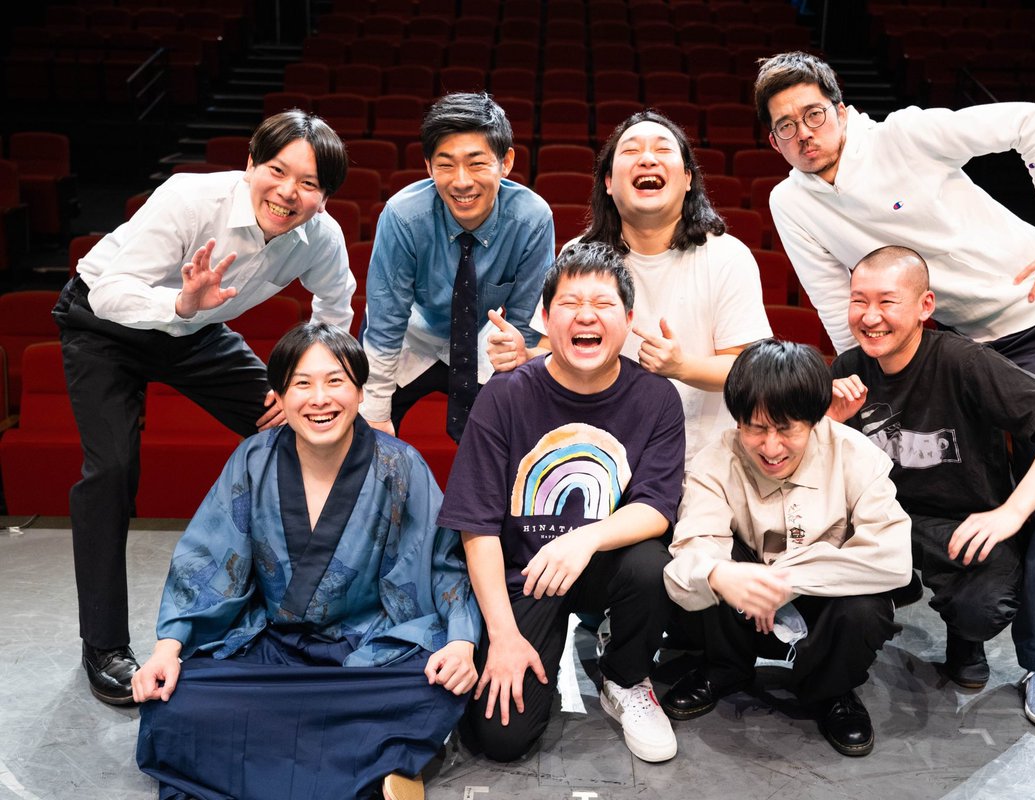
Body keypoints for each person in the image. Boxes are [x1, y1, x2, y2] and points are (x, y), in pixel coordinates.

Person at [754, 51, 1035, 726]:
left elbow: (1030, 120)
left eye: (813, 115)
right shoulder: (789, 200)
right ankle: (951, 621)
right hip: (953, 340)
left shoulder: (904, 136)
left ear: (842, 110)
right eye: (784, 126)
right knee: (914, 470)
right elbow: (834, 300)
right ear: (774, 139)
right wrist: (852, 382)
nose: (803, 133)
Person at [53, 110, 356, 706]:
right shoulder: (190, 200)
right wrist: (182, 305)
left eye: (310, 183)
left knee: (301, 426)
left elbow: (335, 307)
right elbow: (112, 290)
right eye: (276, 170)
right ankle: (104, 645)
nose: (289, 192)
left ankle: (310, 603)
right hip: (105, 324)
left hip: (196, 332)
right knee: (111, 470)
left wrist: (308, 383)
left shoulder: (320, 236)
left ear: (324, 195)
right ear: (250, 162)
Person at [132, 323, 480, 800]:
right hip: (270, 649)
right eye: (302, 383)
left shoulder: (400, 465)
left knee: (438, 685)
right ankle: (370, 762)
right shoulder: (253, 459)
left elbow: (445, 562)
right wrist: (166, 650)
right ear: (279, 395)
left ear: (360, 392)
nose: (320, 398)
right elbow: (208, 559)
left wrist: (460, 642)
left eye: (336, 381)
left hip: (367, 654)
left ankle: (264, 759)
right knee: (173, 704)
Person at [438, 242, 686, 764]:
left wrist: (585, 537)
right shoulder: (505, 394)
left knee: (652, 565)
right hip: (525, 574)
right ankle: (532, 648)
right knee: (499, 739)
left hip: (602, 561)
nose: (586, 316)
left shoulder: (657, 398)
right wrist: (504, 637)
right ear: (546, 319)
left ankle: (623, 677)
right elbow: (476, 527)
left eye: (603, 303)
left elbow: (657, 507)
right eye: (570, 304)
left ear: (629, 318)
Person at [828, 247, 1035, 727]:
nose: (870, 317)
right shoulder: (847, 370)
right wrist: (832, 424)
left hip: (960, 525)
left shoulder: (961, 360)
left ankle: (964, 636)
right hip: (885, 524)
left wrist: (1011, 513)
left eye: (887, 302)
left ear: (925, 307)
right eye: (858, 301)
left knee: (983, 609)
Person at [662, 339, 911, 757]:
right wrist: (726, 576)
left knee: (866, 608)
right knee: (706, 568)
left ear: (814, 421)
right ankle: (724, 670)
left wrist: (785, 580)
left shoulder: (857, 457)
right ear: (737, 420)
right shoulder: (713, 463)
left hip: (822, 606)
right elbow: (685, 565)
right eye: (756, 428)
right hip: (741, 611)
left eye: (786, 429)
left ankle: (831, 692)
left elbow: (895, 560)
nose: (771, 448)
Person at [487, 110, 772, 464]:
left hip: (703, 463)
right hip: (596, 458)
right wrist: (522, 356)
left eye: (662, 150)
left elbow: (752, 370)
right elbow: (553, 355)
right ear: (608, 182)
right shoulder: (578, 253)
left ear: (687, 179)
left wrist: (681, 366)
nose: (648, 158)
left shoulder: (728, 255)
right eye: (632, 151)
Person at [362, 92, 555, 442]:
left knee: (510, 441)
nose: (461, 181)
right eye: (446, 164)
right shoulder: (403, 215)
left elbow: (524, 324)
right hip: (414, 334)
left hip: (484, 339)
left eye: (477, 163)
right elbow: (385, 319)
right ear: (428, 166)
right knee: (363, 431)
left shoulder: (532, 218)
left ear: (506, 162)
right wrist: (374, 413)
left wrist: (517, 357)